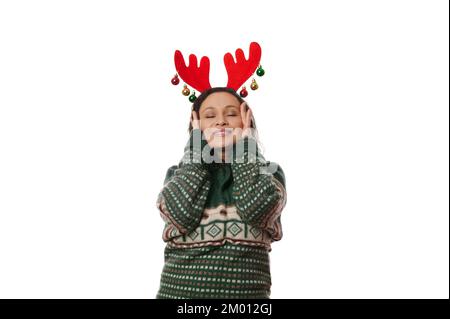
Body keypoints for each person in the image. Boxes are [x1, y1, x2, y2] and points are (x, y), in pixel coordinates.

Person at [155, 86, 287, 299]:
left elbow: (256, 209)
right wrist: (197, 149)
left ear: (247, 122)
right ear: (196, 128)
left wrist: (246, 148)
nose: (221, 121)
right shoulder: (178, 174)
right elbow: (181, 214)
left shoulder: (270, 174)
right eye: (209, 116)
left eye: (232, 114)